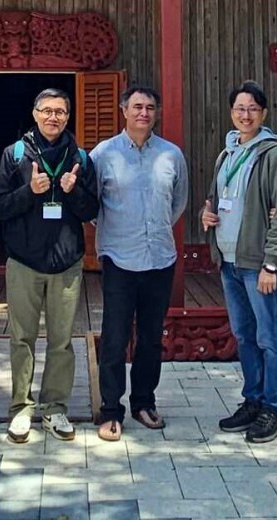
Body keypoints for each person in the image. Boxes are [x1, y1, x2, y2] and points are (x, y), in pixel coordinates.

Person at [0, 88, 99, 443]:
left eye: (60, 112)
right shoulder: (15, 154)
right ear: (35, 114)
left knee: (61, 341)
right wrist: (30, 192)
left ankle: (55, 408)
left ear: (68, 117)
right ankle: (21, 409)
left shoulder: (81, 158)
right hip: (23, 261)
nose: (54, 117)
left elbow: (92, 211)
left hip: (66, 263)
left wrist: (74, 191)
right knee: (21, 338)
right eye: (47, 111)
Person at [90, 85, 189, 441]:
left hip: (160, 257)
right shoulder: (103, 154)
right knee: (115, 338)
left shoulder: (171, 155)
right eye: (136, 107)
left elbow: (178, 202)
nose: (143, 113)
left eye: (149, 107)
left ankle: (144, 402)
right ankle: (111, 410)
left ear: (156, 112)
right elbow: (91, 207)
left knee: (150, 338)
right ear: (124, 111)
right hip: (119, 257)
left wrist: (155, 228)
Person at [202, 80, 277, 443]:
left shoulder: (272, 155)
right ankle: (252, 400)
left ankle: (274, 406)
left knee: (269, 335)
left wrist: (272, 263)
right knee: (244, 335)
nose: (245, 115)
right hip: (229, 260)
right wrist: (206, 216)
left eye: (252, 109)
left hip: (258, 264)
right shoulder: (226, 153)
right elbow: (219, 200)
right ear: (231, 112)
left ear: (264, 114)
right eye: (239, 108)